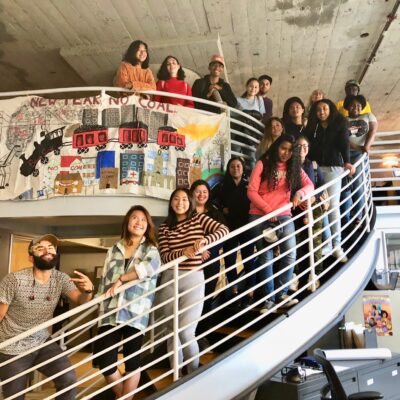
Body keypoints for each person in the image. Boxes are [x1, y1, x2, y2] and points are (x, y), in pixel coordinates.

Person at [0, 234, 94, 400]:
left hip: (41, 341)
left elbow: (81, 300)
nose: (47, 250)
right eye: (40, 248)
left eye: (51, 248)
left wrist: (88, 291)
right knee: (14, 396)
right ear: (31, 257)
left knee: (68, 379)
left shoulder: (61, 279)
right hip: (11, 345)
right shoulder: (14, 280)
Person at [157, 188, 229, 373]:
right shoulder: (164, 227)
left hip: (194, 277)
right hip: (169, 279)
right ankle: (176, 378)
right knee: (171, 332)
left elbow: (224, 230)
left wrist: (205, 241)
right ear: (171, 202)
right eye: (176, 199)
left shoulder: (198, 218)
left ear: (190, 202)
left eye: (184, 199)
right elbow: (164, 257)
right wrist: (183, 252)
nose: (180, 203)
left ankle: (192, 374)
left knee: (186, 331)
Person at [93, 206, 161, 399]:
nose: (138, 222)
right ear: (127, 221)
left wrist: (122, 279)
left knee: (132, 362)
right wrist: (97, 302)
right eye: (134, 218)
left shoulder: (151, 249)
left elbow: (147, 269)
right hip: (110, 311)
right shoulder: (114, 249)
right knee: (105, 362)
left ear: (147, 225)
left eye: (143, 220)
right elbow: (105, 281)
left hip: (136, 310)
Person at [247, 134, 314, 312]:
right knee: (265, 257)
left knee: (290, 253)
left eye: (290, 150)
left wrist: (300, 194)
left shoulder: (294, 167)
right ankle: (269, 300)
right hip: (260, 215)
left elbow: (310, 186)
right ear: (277, 146)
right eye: (283, 148)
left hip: (284, 214)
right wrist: (268, 210)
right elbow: (251, 192)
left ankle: (281, 294)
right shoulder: (263, 163)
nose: (286, 153)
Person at [305, 99, 355, 262]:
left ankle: (337, 245)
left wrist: (347, 161)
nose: (321, 112)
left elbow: (344, 143)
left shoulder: (340, 123)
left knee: (333, 206)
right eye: (318, 110)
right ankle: (327, 243)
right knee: (321, 206)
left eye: (325, 108)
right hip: (316, 168)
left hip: (334, 168)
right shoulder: (312, 127)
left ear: (330, 109)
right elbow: (306, 145)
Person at [190, 180, 226, 346]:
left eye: (204, 192)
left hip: (210, 261)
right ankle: (189, 336)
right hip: (191, 263)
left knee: (206, 298)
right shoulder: (186, 213)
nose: (201, 195)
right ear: (192, 194)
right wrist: (197, 250)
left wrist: (207, 247)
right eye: (198, 191)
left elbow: (223, 234)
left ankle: (201, 335)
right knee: (191, 300)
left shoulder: (214, 213)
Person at [212, 157, 254, 300]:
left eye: (238, 166)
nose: (235, 169)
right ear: (228, 169)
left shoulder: (249, 184)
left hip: (246, 226)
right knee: (229, 259)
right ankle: (234, 287)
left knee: (248, 258)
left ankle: (250, 288)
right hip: (229, 227)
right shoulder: (222, 185)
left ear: (242, 168)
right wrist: (221, 209)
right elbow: (211, 200)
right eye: (232, 166)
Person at [294, 135, 327, 290]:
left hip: (313, 208)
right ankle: (298, 275)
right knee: (298, 243)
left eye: (305, 146)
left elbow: (321, 186)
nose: (302, 148)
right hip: (294, 209)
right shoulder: (289, 166)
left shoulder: (314, 166)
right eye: (299, 146)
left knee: (315, 242)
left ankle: (315, 275)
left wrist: (316, 198)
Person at [343, 94, 378, 224]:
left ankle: (359, 215)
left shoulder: (368, 116)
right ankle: (345, 218)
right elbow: (343, 138)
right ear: (347, 107)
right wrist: (359, 147)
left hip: (360, 155)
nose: (355, 107)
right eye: (352, 105)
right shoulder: (343, 119)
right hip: (345, 155)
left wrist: (366, 147)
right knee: (346, 186)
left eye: (358, 105)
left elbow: (373, 131)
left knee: (358, 184)